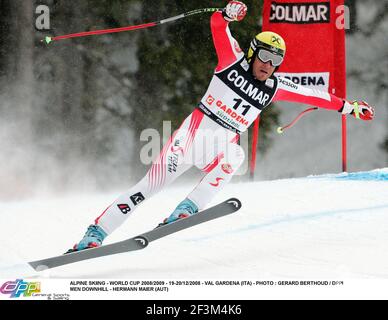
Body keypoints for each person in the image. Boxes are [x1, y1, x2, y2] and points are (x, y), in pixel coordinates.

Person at [69, 1, 374, 252]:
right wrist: (227, 14)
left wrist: (350, 107)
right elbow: (218, 27)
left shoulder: (274, 86)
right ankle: (94, 235)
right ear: (253, 53)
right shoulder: (232, 61)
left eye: (276, 60)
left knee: (236, 157)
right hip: (189, 139)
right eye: (265, 56)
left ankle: (186, 208)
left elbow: (314, 95)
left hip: (218, 148)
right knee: (147, 188)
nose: (269, 64)